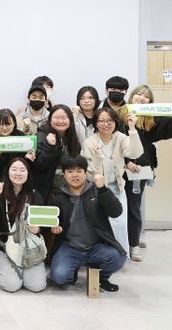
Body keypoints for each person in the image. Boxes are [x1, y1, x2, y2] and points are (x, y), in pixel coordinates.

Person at [49, 155, 127, 292]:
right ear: (64, 175)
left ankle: (101, 278)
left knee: (118, 257)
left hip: (96, 247)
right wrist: (56, 228)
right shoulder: (58, 197)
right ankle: (72, 272)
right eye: (70, 171)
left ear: (85, 173)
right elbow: (56, 222)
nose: (75, 175)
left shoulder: (97, 191)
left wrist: (103, 189)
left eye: (79, 171)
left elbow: (116, 212)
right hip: (69, 247)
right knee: (59, 277)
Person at [119, 85, 172, 261]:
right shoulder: (119, 114)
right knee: (114, 207)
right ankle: (118, 241)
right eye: (139, 94)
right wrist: (126, 162)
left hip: (137, 172)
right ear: (131, 96)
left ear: (150, 102)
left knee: (134, 207)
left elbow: (167, 127)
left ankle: (133, 243)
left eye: (146, 96)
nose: (141, 98)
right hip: (116, 169)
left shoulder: (150, 120)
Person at [81, 107, 143, 258]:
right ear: (96, 123)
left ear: (115, 122)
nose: (106, 124)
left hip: (117, 187)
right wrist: (98, 158)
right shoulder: (89, 142)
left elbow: (135, 153)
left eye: (110, 120)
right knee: (100, 224)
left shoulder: (120, 138)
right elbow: (88, 172)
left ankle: (120, 256)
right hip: (96, 190)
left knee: (120, 224)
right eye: (101, 121)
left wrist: (132, 128)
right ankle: (101, 257)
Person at [0, 158, 46, 293]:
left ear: (28, 173)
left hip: (28, 248)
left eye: (22, 170)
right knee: (12, 285)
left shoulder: (35, 195)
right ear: (8, 172)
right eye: (14, 169)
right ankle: (14, 270)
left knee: (37, 286)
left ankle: (20, 269)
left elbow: (43, 223)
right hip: (2, 248)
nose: (18, 173)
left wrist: (38, 229)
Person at [0, 109, 35, 197]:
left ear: (14, 124)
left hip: (16, 183)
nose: (4, 128)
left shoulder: (22, 138)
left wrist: (26, 158)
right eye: (0, 124)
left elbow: (27, 166)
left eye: (8, 124)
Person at [33, 105, 81, 202]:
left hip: (69, 189)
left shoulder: (71, 137)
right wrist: (50, 147)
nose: (60, 121)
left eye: (64, 118)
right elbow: (40, 165)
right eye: (56, 117)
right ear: (50, 119)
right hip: (48, 190)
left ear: (70, 120)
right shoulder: (41, 136)